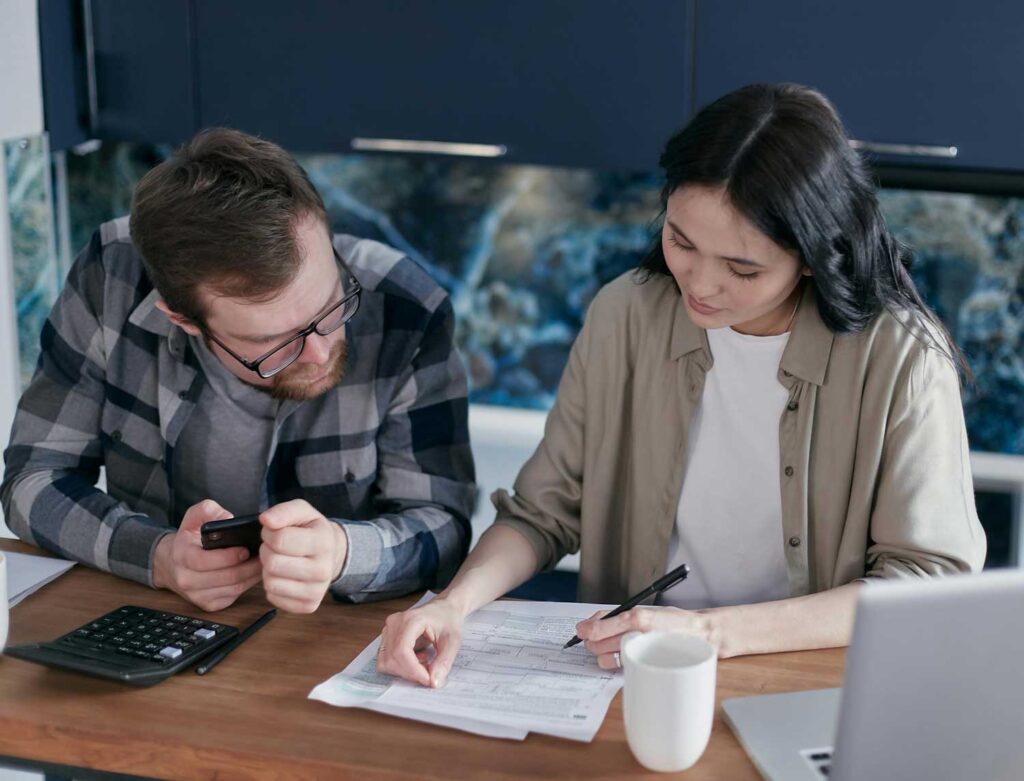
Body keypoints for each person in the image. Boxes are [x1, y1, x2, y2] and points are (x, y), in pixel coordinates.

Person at [377, 83, 986, 688]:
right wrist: (452, 605)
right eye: (681, 241)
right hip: (630, 674)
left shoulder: (900, 355)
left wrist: (708, 634)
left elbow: (927, 579)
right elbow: (544, 512)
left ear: (811, 255)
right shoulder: (627, 314)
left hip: (805, 682)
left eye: (742, 268)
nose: (700, 283)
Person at [1, 129, 475, 613]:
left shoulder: (405, 304)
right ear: (182, 319)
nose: (318, 352)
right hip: (159, 617)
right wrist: (156, 556)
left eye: (331, 306)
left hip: (331, 638)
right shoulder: (113, 276)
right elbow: (33, 478)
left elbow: (445, 528)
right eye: (273, 342)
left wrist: (342, 553)